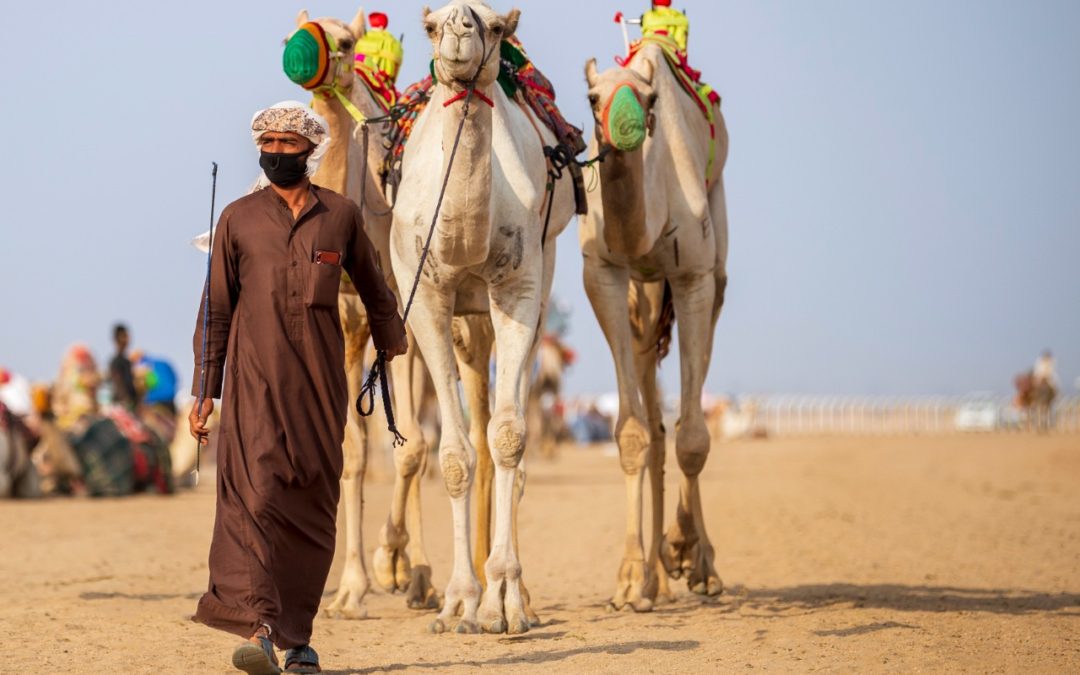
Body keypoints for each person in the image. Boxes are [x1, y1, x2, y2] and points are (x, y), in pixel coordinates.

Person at [187, 101, 407, 675]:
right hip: (253, 386)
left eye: (290, 144)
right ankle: (259, 629)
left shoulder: (340, 216)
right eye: (271, 144)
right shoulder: (237, 218)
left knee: (311, 504)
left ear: (312, 151)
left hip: (318, 386)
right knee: (255, 497)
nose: (279, 152)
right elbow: (214, 310)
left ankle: (298, 638)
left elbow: (375, 286)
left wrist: (393, 343)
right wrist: (204, 389)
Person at [108, 324, 138, 409]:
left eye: (127, 336)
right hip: (121, 406)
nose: (126, 340)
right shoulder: (116, 362)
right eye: (123, 336)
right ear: (116, 339)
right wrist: (126, 401)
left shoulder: (127, 362)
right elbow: (117, 383)